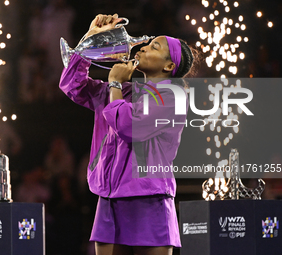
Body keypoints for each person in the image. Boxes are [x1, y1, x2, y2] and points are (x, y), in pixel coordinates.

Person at [59, 14, 198, 255]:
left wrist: (113, 84)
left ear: (168, 66)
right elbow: (73, 85)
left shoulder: (173, 97)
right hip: (111, 198)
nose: (143, 47)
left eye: (154, 46)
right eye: (148, 43)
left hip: (149, 198)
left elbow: (130, 126)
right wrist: (91, 38)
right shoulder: (124, 90)